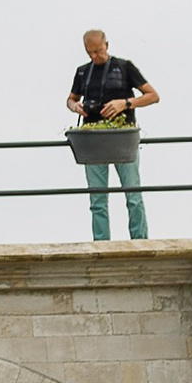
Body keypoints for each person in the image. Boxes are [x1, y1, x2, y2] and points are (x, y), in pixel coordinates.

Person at [67, 27, 158, 238]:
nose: (94, 56)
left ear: (106, 45)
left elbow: (153, 95)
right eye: (89, 52)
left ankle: (140, 241)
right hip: (92, 140)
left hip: (122, 138)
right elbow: (70, 98)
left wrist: (125, 103)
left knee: (132, 193)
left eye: (98, 51)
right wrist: (75, 106)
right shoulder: (82, 72)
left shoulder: (125, 67)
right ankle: (101, 243)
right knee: (97, 198)